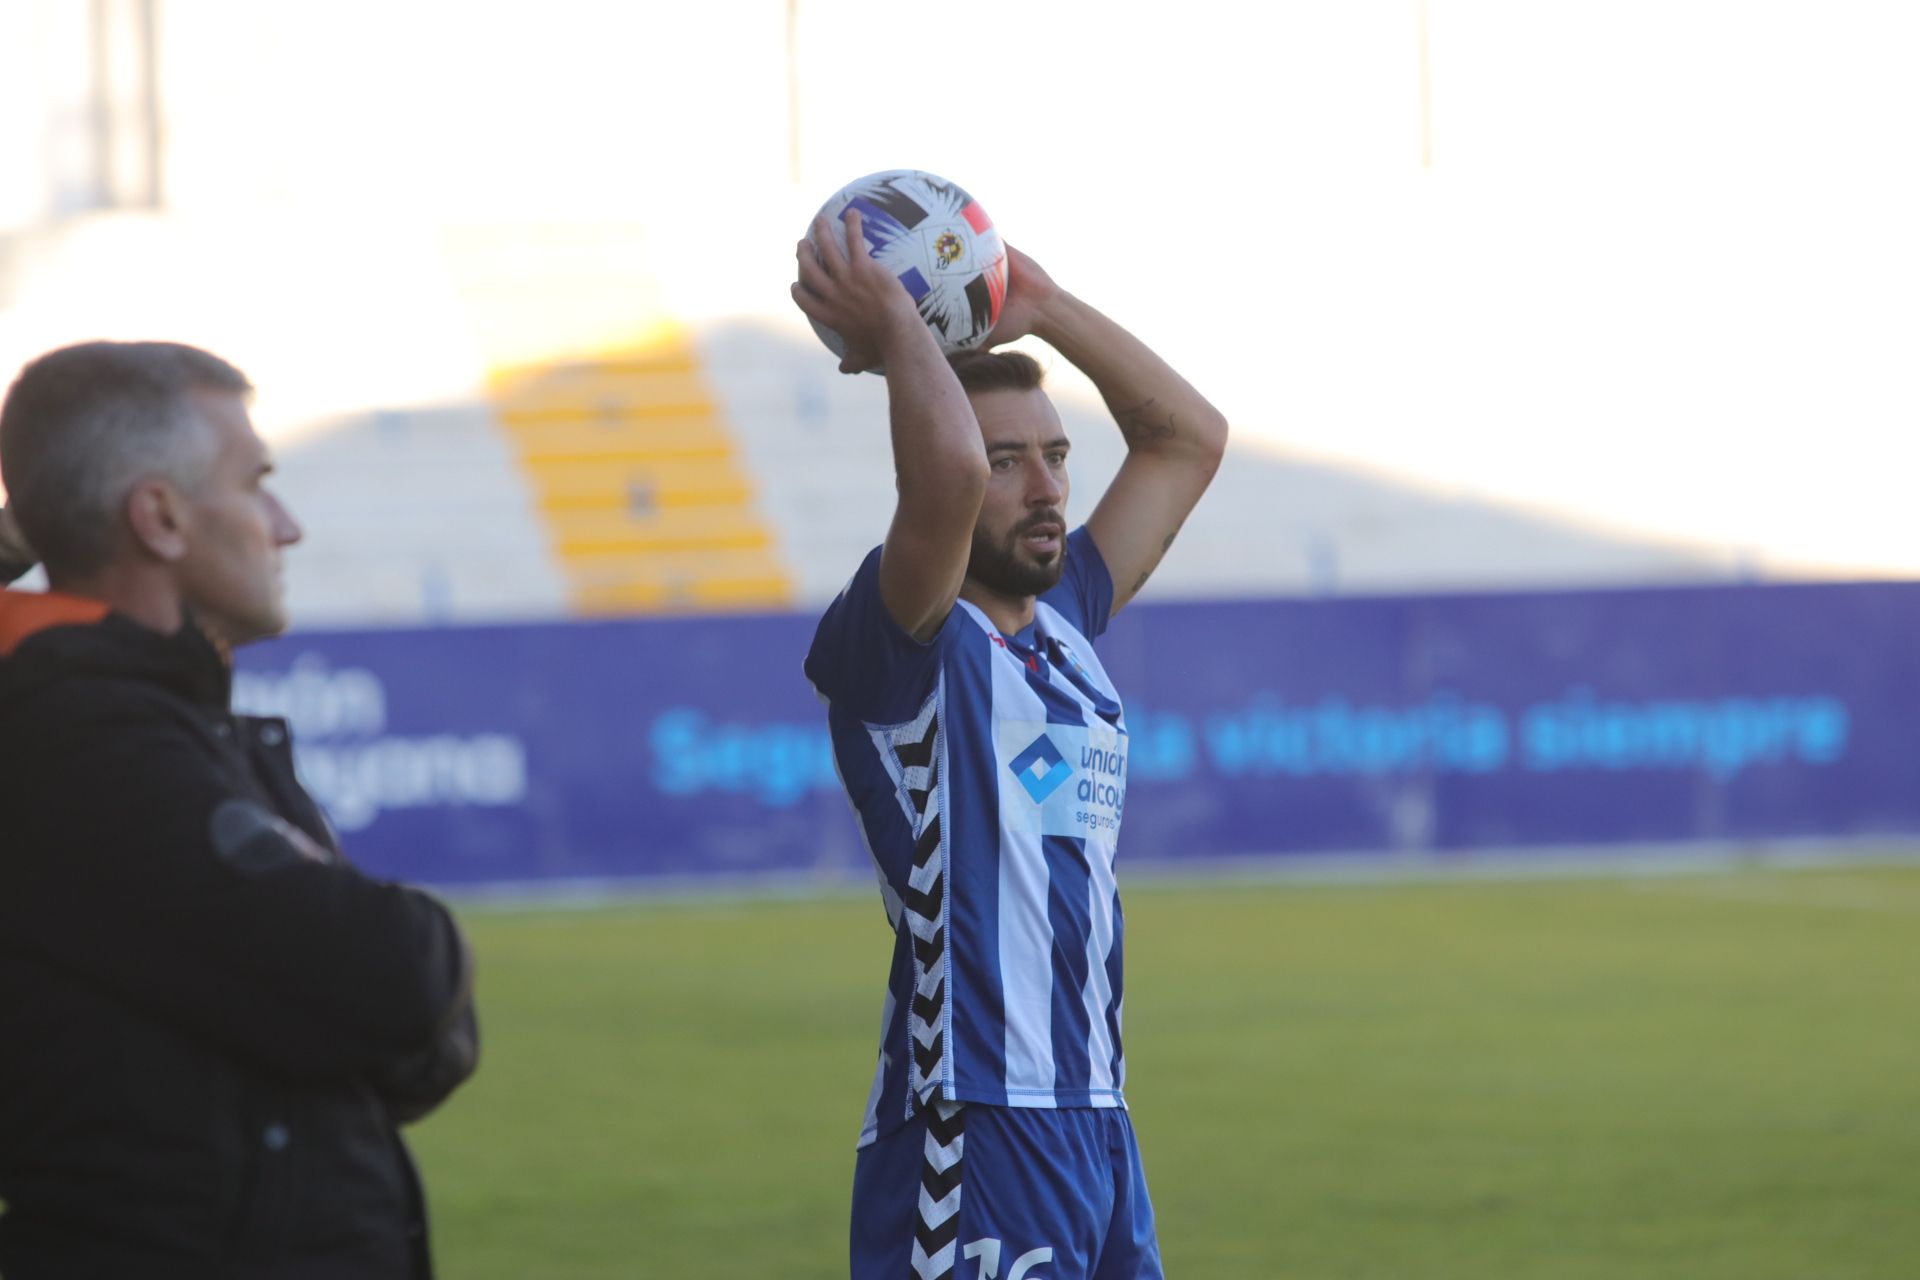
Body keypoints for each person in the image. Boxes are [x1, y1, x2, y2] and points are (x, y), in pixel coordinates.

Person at [794, 213, 1229, 1280]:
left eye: (1056, 456)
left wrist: (1041, 305)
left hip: (1098, 1121)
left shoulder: (1069, 615)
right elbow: (938, 481)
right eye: (1009, 463)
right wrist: (901, 325)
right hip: (971, 1121)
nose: (1048, 488)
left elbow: (1190, 439)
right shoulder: (906, 641)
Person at [0, 341, 478, 1278]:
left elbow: (432, 1043)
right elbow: (400, 979)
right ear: (162, 517)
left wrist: (56, 516)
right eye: (256, 483)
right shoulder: (81, 739)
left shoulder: (166, 725)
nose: (285, 525)